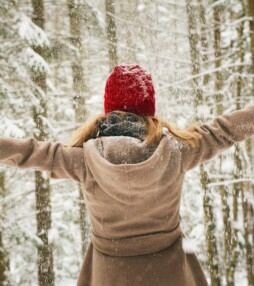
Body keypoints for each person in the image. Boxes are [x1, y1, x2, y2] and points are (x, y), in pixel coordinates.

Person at [0, 65, 253, 286]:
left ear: (108, 108)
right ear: (149, 108)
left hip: (109, 277)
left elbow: (29, 152)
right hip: (171, 275)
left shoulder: (83, 160)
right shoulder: (177, 152)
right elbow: (224, 131)